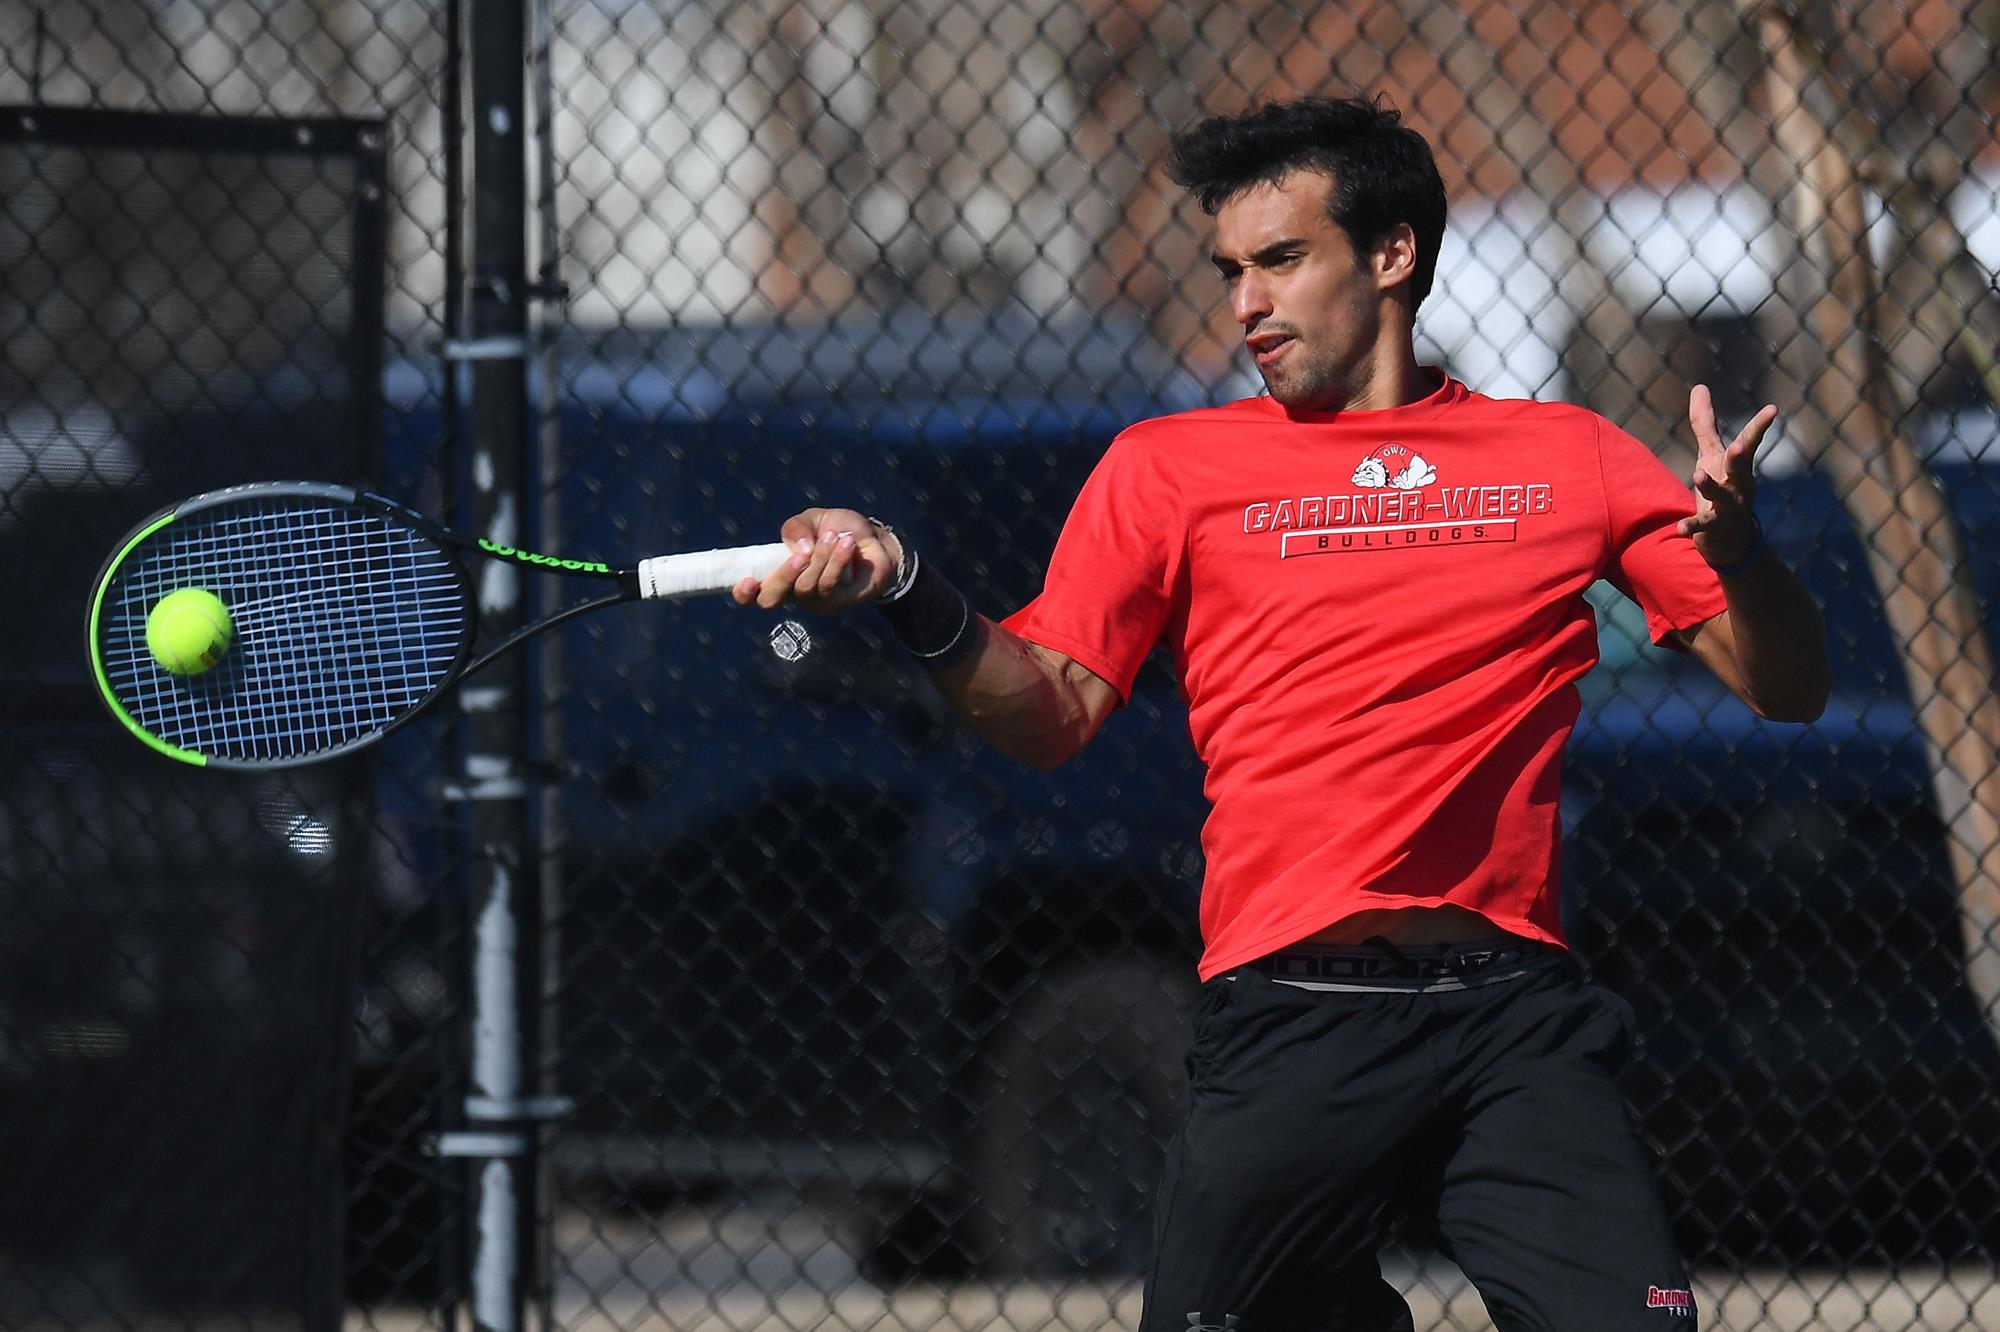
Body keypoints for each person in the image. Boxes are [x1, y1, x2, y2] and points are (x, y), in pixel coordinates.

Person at [732, 95, 1829, 1332]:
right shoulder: (1166, 469)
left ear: (1390, 254)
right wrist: (908, 585)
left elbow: (1787, 690)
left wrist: (1737, 554)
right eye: (1229, 271)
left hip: (1513, 1026)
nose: (1244, 301)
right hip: (1289, 1024)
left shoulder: (1565, 456)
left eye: (1279, 260)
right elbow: (1047, 712)